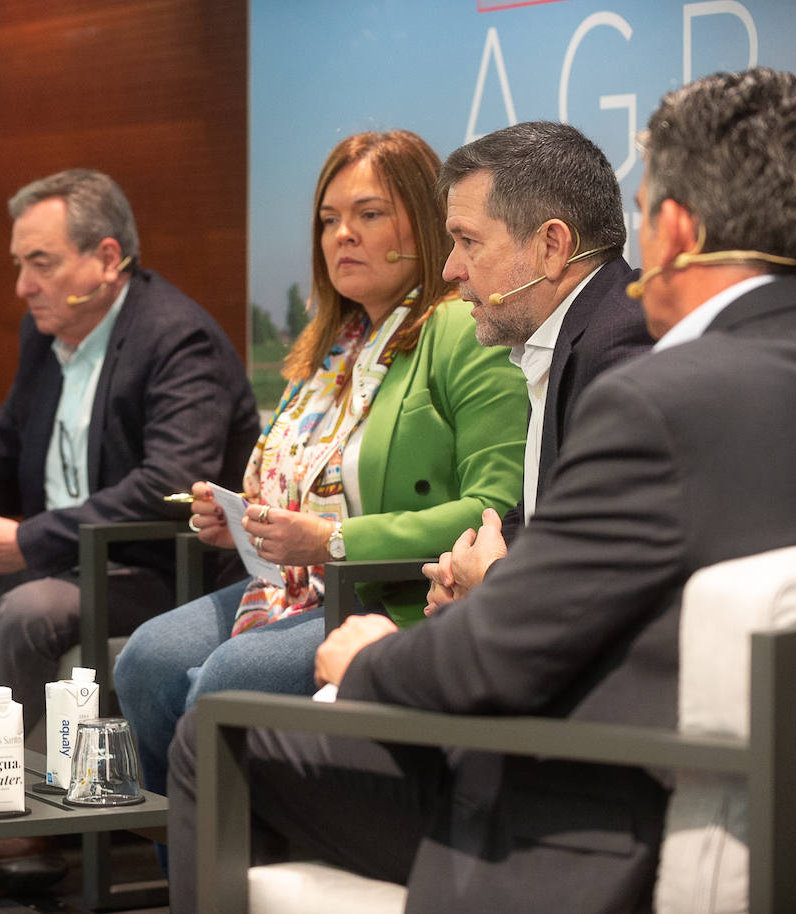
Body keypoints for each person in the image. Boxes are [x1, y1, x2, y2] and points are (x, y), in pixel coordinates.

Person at [164, 68, 796, 912]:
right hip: (788, 824)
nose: (452, 270)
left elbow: (493, 657)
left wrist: (367, 660)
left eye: (644, 213)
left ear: (679, 229)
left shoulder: (658, 401)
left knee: (212, 741)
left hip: (585, 817)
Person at [0, 168, 258, 892]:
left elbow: (169, 488)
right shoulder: (46, 335)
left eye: (40, 263)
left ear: (106, 260)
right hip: (66, 563)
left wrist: (27, 541)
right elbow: (8, 443)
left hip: (160, 572)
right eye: (18, 264)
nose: (22, 285)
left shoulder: (177, 339)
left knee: (28, 607)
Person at [114, 130, 528, 804]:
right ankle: (186, 876)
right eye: (329, 221)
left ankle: (243, 875)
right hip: (296, 586)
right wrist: (244, 523)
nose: (342, 236)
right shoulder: (333, 346)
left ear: (424, 225)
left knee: (224, 680)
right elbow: (301, 490)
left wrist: (332, 541)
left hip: (390, 595)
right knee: (146, 661)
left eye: (368, 215)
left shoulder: (460, 329)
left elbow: (493, 509)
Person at [423, 121, 653, 612]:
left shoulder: (622, 353)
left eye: (468, 241)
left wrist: (492, 583)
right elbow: (549, 518)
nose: (450, 270)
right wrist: (463, 568)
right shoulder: (572, 333)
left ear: (551, 246)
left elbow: (606, 582)